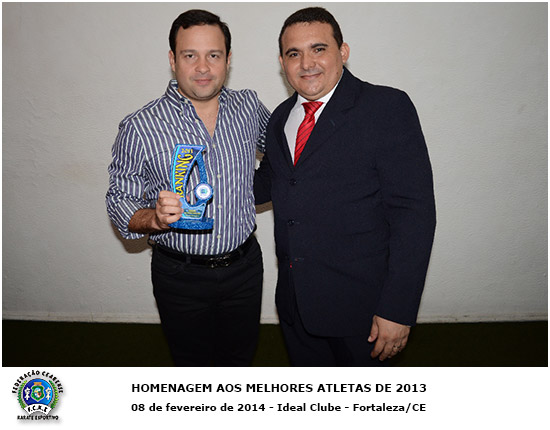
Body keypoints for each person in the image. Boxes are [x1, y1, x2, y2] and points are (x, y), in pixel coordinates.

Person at [254, 7, 436, 366]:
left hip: (365, 313)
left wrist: (398, 309)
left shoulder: (386, 107)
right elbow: (266, 183)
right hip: (295, 307)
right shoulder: (279, 118)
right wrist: (197, 187)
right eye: (294, 53)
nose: (307, 63)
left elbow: (414, 215)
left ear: (343, 51)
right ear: (282, 62)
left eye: (318, 49)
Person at [106, 9, 270, 366]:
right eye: (190, 55)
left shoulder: (248, 107)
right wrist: (153, 219)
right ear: (172, 60)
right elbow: (120, 201)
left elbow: (284, 153)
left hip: (245, 269)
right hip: (179, 276)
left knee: (240, 361)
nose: (203, 67)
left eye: (214, 55)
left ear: (228, 59)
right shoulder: (140, 127)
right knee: (191, 365)